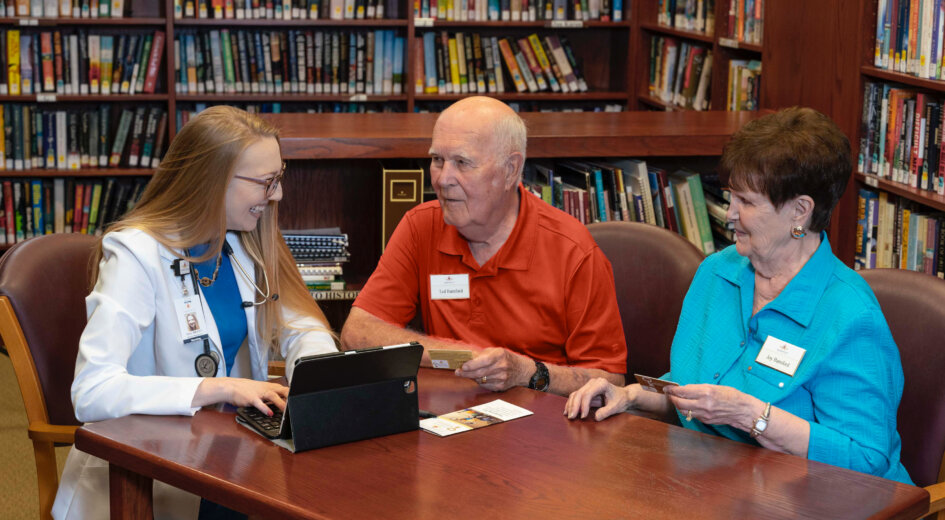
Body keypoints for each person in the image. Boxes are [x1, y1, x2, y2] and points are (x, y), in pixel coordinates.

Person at [565, 107, 914, 484]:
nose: (729, 214)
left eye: (746, 203)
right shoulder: (717, 272)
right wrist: (631, 397)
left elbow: (866, 460)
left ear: (800, 211)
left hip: (814, 499)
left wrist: (753, 416)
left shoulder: (850, 316)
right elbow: (693, 392)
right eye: (730, 197)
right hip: (715, 484)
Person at [52, 106, 338, 519]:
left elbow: (301, 323)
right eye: (266, 182)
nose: (277, 195)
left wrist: (319, 375)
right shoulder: (135, 253)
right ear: (212, 180)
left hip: (232, 459)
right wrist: (218, 388)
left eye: (279, 178)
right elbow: (92, 391)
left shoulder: (243, 242)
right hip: (148, 475)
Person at [341, 96, 626, 396]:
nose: (442, 179)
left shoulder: (573, 251)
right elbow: (357, 334)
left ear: (510, 170)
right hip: (450, 417)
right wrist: (468, 358)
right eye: (437, 160)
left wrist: (525, 371)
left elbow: (609, 380)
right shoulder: (420, 226)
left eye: (462, 163)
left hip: (543, 424)